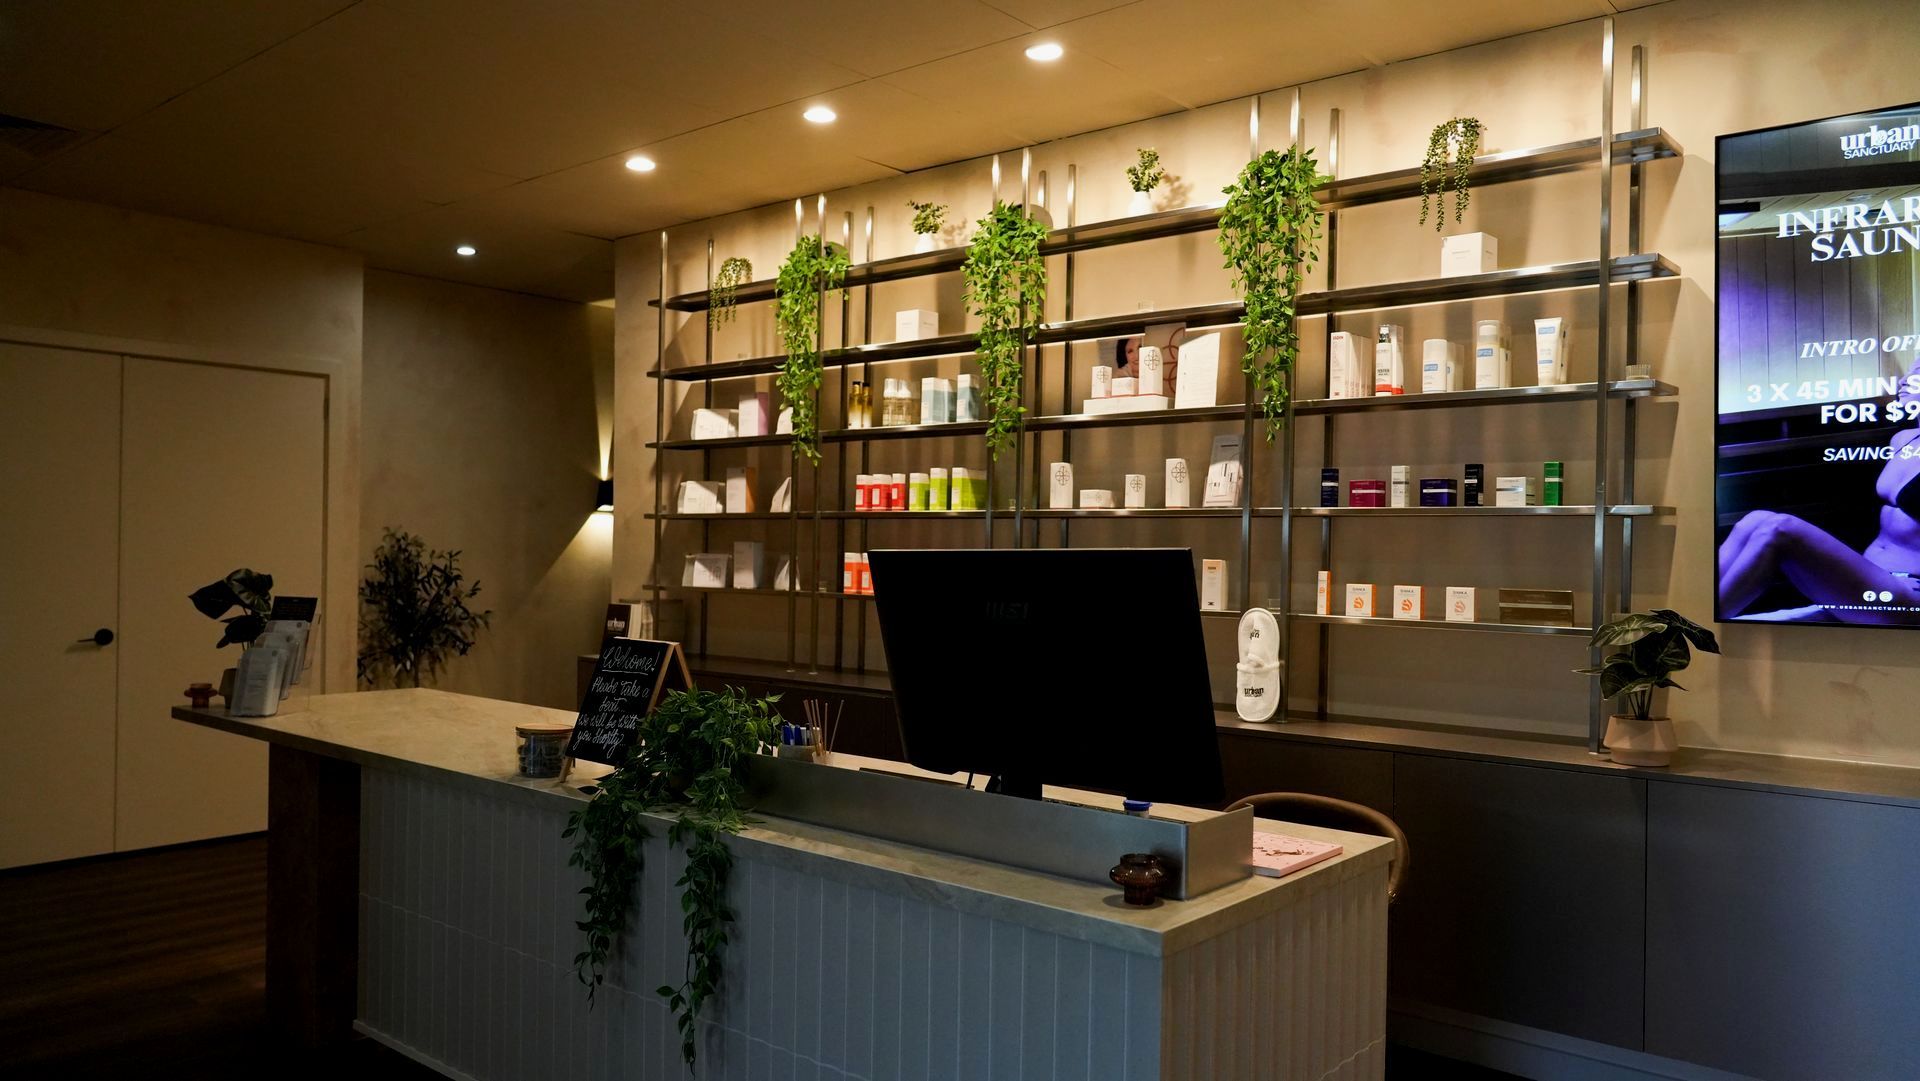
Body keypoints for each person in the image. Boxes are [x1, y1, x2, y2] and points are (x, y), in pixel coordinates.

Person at [1718, 359, 1920, 624]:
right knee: (1754, 519)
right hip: (1870, 580)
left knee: (1780, 530)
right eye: (1911, 372)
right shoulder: (1903, 440)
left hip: (1909, 595)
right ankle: (1690, 615)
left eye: (1919, 374)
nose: (1906, 380)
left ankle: (1690, 633)